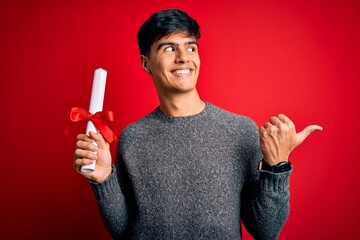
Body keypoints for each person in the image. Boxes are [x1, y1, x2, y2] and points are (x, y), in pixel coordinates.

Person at [73, 9, 322, 240]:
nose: (183, 58)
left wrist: (276, 167)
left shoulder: (240, 131)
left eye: (191, 48)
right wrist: (104, 179)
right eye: (169, 48)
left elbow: (265, 230)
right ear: (146, 63)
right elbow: (124, 230)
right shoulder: (133, 137)